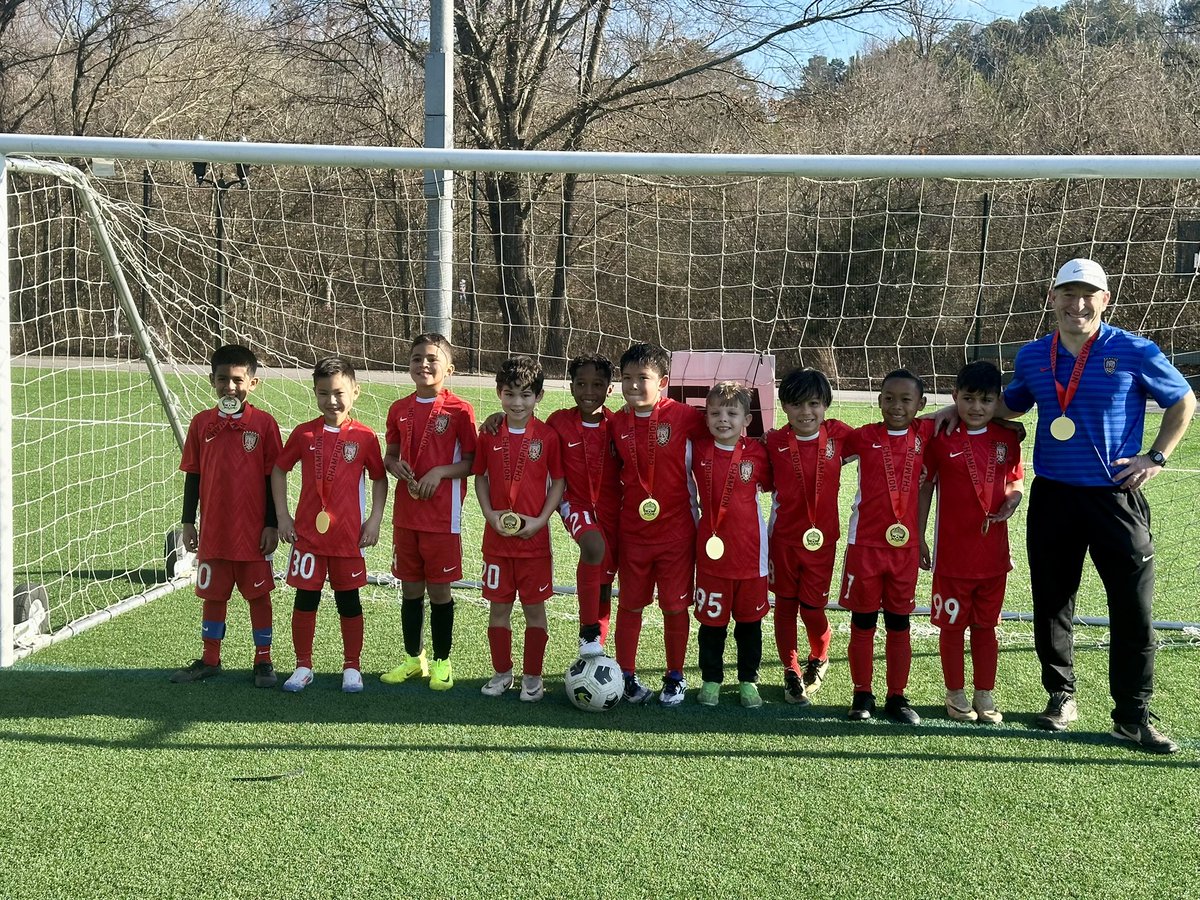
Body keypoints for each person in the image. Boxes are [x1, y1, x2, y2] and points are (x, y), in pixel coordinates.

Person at [977, 258, 1193, 753]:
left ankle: (1132, 715)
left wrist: (1156, 457)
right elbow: (1010, 405)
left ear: (1105, 300)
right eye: (1068, 294)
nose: (1078, 304)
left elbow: (1183, 402)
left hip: (1116, 496)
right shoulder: (1034, 355)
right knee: (1052, 601)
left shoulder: (1135, 350)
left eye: (1088, 295)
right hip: (1054, 495)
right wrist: (957, 408)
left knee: (1133, 608)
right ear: (1052, 298)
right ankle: (1060, 695)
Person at [272, 356, 387, 693]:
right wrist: (282, 516)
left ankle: (352, 666)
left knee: (348, 602)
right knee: (305, 601)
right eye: (323, 393)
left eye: (338, 393)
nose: (331, 400)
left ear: (355, 392)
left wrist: (374, 520)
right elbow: (279, 470)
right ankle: (303, 665)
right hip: (307, 537)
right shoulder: (304, 433)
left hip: (348, 539)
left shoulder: (365, 436)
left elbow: (379, 479)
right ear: (315, 393)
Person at [171, 344, 283, 688]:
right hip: (214, 531)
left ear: (253, 383)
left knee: (258, 596)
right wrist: (188, 521)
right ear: (212, 380)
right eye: (223, 379)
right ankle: (210, 659)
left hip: (253, 532)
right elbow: (193, 475)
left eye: (237, 380)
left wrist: (272, 524)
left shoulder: (264, 424)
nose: (230, 387)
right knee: (214, 594)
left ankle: (263, 660)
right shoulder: (201, 423)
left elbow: (273, 478)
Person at [918, 361, 1023, 724]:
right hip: (952, 557)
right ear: (955, 397)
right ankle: (955, 693)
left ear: (998, 401)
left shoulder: (1007, 437)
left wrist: (1013, 497)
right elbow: (926, 488)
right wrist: (919, 535)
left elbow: (1015, 479)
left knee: (986, 628)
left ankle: (984, 693)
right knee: (952, 628)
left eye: (986, 400)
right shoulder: (940, 436)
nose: (976, 407)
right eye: (968, 399)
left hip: (993, 557)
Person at [611, 342, 707, 706]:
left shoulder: (684, 417)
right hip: (633, 534)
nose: (634, 385)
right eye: (627, 378)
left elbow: (728, 424)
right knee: (630, 605)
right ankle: (626, 674)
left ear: (663, 382)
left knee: (674, 607)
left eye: (643, 378)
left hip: (677, 534)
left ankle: (675, 676)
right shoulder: (615, 422)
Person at [381, 334, 477, 692]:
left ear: (449, 369)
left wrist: (439, 472)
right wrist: (395, 466)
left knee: (439, 592)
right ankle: (413, 659)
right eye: (417, 357)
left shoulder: (460, 410)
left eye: (432, 359)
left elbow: (471, 462)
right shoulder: (399, 409)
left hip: (441, 519)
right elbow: (390, 456)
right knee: (410, 589)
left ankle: (442, 662)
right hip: (406, 516)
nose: (424, 364)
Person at [839, 369, 935, 725]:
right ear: (879, 400)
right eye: (889, 398)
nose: (896, 406)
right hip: (864, 544)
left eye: (906, 400)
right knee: (862, 621)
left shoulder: (926, 434)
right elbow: (824, 442)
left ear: (920, 404)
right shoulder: (863, 437)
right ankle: (862, 693)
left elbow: (957, 413)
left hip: (905, 548)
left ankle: (897, 695)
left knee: (899, 622)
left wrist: (1008, 425)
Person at [473, 356, 565, 702]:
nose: (517, 403)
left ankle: (533, 677)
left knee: (534, 610)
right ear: (499, 393)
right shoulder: (489, 433)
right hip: (496, 542)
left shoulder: (548, 437)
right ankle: (502, 673)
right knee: (498, 609)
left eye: (526, 395)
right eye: (510, 394)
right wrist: (489, 514)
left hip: (533, 543)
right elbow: (480, 477)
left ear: (538, 397)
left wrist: (540, 521)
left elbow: (559, 482)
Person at [766, 368, 854, 705]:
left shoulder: (840, 436)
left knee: (812, 610)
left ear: (825, 405)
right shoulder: (773, 442)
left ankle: (819, 656)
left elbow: (887, 436)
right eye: (797, 404)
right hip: (783, 541)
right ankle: (790, 671)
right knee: (785, 607)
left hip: (822, 542)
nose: (806, 412)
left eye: (814, 403)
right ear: (784, 407)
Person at [691, 382, 773, 708]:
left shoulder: (758, 453)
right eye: (715, 413)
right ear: (706, 418)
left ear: (746, 420)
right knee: (712, 626)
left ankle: (748, 681)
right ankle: (711, 679)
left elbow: (774, 484)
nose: (723, 419)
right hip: (711, 557)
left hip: (751, 556)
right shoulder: (698, 450)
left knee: (749, 626)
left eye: (731, 413)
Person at [546, 354, 622, 658]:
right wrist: (498, 418)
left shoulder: (617, 424)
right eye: (581, 384)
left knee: (605, 580)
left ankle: (595, 647)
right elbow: (530, 430)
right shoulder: (558, 422)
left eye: (597, 385)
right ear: (571, 386)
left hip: (612, 510)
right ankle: (588, 631)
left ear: (610, 388)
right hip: (573, 503)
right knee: (593, 547)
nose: (588, 391)